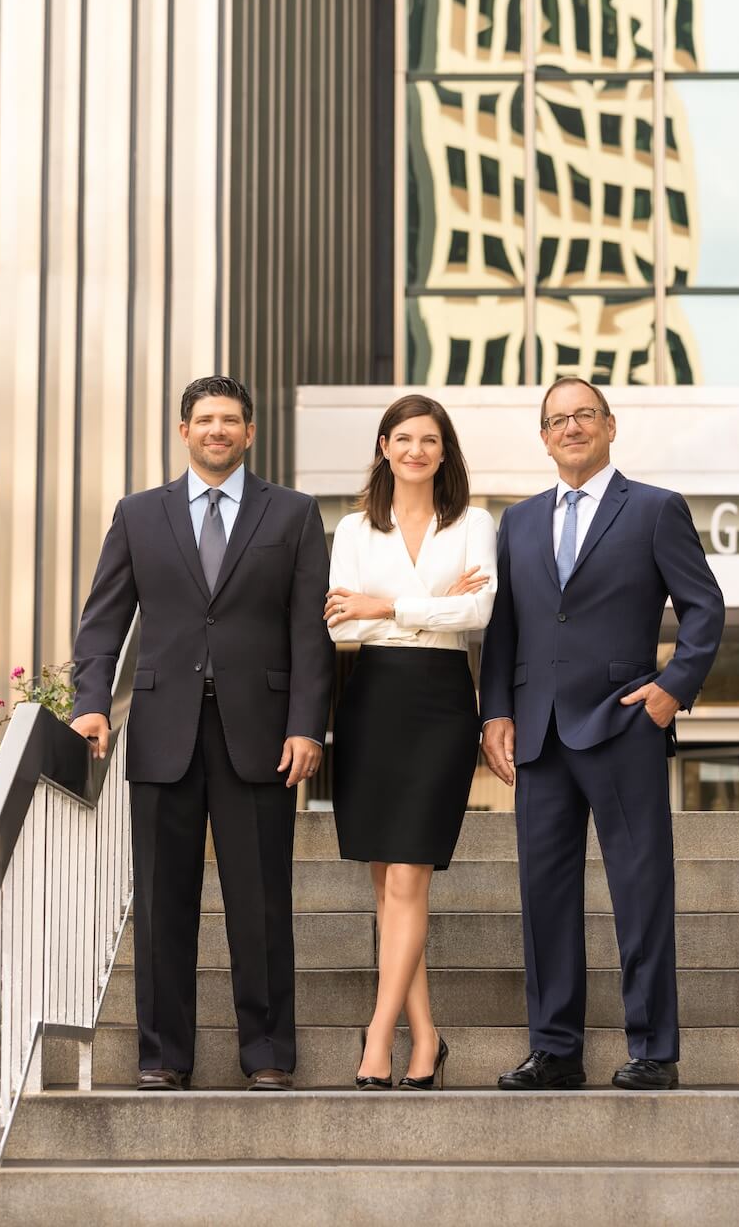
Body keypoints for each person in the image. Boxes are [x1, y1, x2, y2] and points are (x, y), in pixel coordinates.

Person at [70, 376, 333, 1092]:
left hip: (262, 735)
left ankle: (269, 1053)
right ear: (184, 430)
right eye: (206, 419)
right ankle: (162, 1056)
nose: (218, 430)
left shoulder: (294, 512)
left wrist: (307, 725)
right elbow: (103, 619)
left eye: (231, 420)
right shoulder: (138, 514)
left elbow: (309, 632)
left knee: (262, 900)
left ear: (250, 432)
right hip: (164, 730)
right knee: (162, 901)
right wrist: (91, 702)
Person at [480, 378, 724, 1092]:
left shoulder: (654, 508)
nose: (571, 427)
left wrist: (672, 689)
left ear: (610, 426)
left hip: (624, 722)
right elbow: (504, 628)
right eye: (558, 419)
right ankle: (555, 1050)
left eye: (584, 414)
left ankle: (653, 1049)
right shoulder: (518, 521)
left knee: (641, 888)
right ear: (544, 436)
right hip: (540, 733)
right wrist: (495, 712)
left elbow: (704, 608)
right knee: (544, 896)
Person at [325, 395, 496, 1090]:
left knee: (407, 878)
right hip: (372, 700)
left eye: (429, 439)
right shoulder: (354, 528)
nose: (416, 450)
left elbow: (479, 610)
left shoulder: (475, 522)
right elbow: (341, 623)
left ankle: (377, 1038)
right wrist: (432, 606)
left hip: (441, 703)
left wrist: (388, 605)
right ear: (384, 447)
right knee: (387, 885)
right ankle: (425, 1038)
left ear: (444, 450)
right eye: (404, 438)